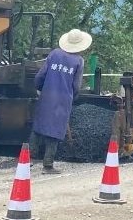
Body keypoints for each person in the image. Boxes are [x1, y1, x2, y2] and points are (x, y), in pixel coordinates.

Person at [31, 29, 91, 173]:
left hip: (47, 95)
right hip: (63, 99)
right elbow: (76, 85)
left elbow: (40, 76)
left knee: (39, 126)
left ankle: (27, 159)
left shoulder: (54, 54)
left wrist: (40, 88)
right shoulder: (78, 61)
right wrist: (74, 96)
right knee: (55, 130)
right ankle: (48, 164)